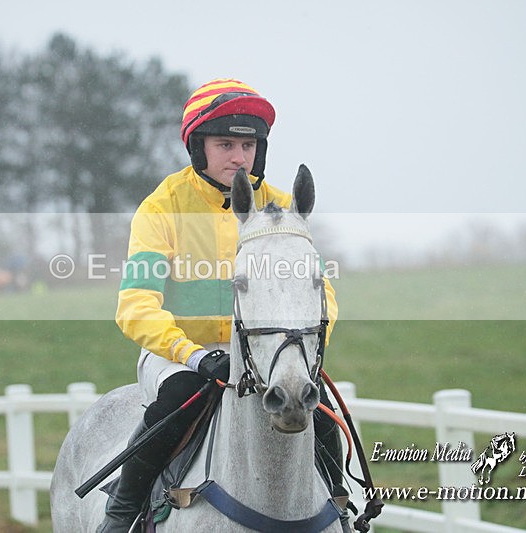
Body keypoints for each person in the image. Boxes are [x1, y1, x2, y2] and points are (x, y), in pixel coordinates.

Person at [103, 79, 345, 532]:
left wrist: (300, 351)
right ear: (199, 147)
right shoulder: (162, 208)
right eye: (226, 144)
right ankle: (120, 517)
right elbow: (135, 307)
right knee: (176, 400)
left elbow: (319, 293)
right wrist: (194, 355)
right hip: (179, 355)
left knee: (323, 407)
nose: (239, 156)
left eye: (248, 145)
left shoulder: (281, 206)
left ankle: (342, 502)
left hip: (267, 352)